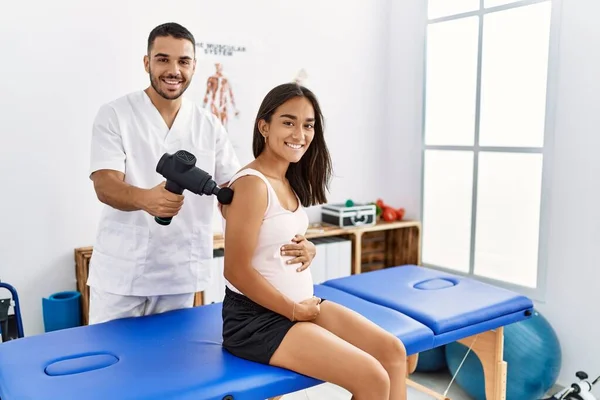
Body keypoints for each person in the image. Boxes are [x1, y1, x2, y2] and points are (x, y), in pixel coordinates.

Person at [220, 83, 408, 400]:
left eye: (308, 125)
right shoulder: (252, 185)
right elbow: (235, 270)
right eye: (288, 122)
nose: (300, 134)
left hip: (298, 307)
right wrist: (292, 310)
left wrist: (309, 246)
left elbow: (273, 239)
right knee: (372, 377)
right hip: (256, 321)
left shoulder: (287, 180)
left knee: (392, 352)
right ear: (264, 126)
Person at [86, 22, 241, 324]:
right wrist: (147, 199)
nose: (174, 70)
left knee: (173, 367)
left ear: (194, 66)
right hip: (122, 276)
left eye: (183, 61)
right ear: (147, 62)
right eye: (163, 59)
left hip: (178, 277)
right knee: (114, 368)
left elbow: (235, 188)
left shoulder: (208, 125)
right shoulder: (116, 114)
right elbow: (105, 185)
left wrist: (285, 228)